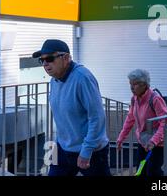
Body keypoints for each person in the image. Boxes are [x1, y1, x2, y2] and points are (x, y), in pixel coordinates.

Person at [32, 39, 110, 176]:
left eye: (49, 58)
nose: (45, 64)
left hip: (91, 152)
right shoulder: (54, 80)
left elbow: (97, 117)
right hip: (63, 148)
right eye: (42, 60)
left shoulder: (82, 78)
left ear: (66, 58)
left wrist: (86, 151)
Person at [116, 69, 167, 176]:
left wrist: (153, 141)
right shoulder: (134, 99)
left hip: (157, 145)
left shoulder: (155, 99)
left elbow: (165, 122)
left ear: (144, 84)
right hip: (143, 142)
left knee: (153, 172)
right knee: (140, 171)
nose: (131, 87)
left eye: (135, 84)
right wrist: (121, 138)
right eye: (130, 84)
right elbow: (130, 119)